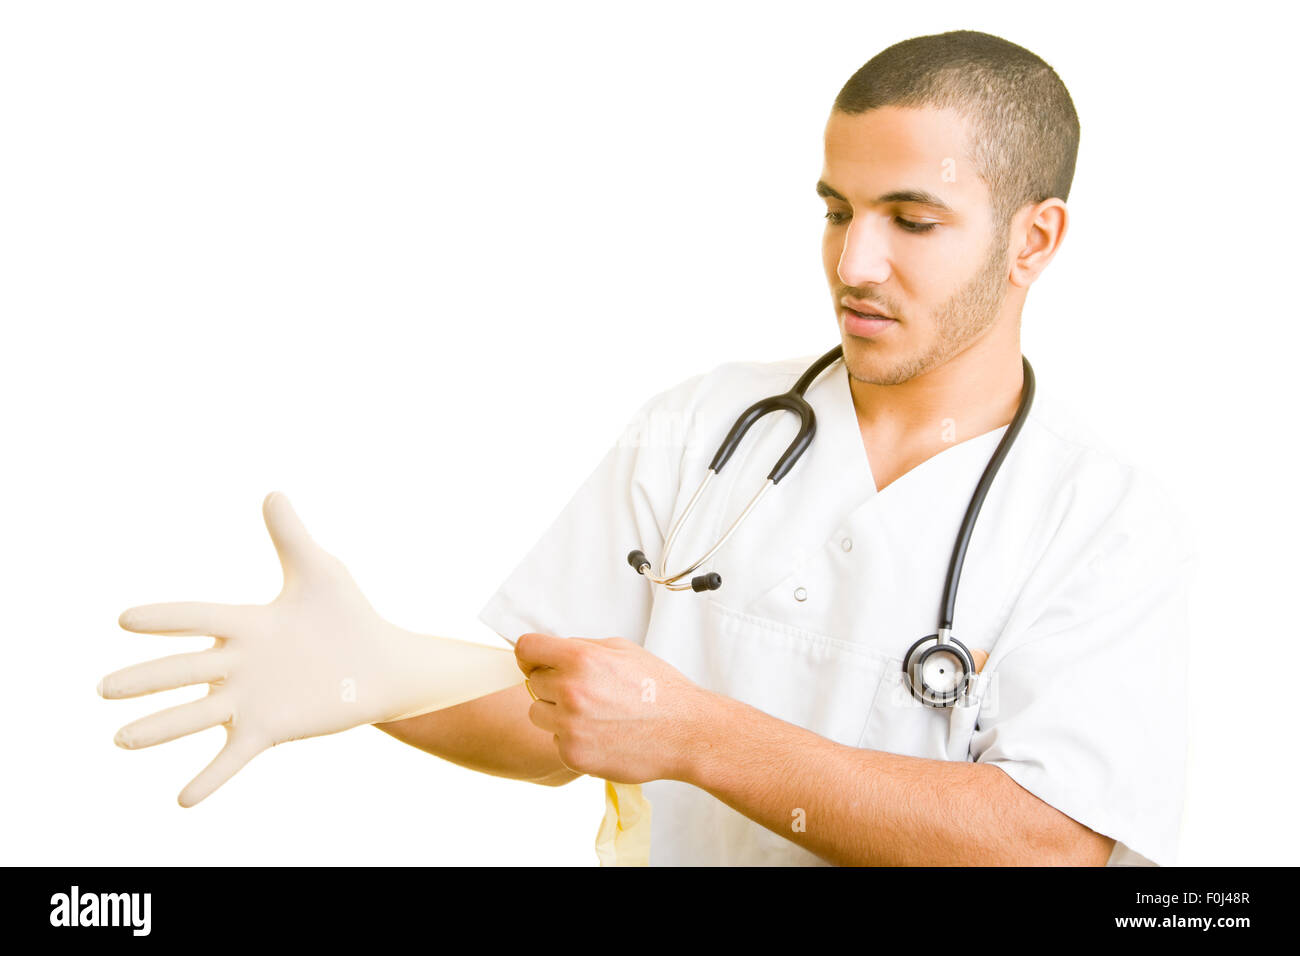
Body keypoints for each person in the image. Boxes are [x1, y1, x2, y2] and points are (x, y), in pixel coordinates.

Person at [375, 29, 1195, 867]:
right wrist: (361, 676)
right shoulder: (702, 426)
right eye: (838, 211)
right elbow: (551, 717)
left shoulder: (1104, 521)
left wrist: (697, 734)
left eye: (912, 221)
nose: (854, 262)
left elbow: (1045, 845)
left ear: (1034, 241)